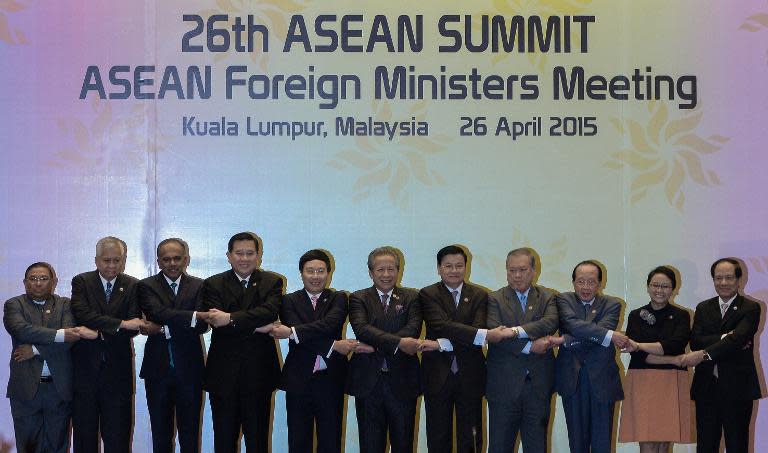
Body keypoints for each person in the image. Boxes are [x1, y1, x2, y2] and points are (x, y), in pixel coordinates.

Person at [418, 245, 515, 453]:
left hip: (470, 375)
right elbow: (440, 325)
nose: (454, 271)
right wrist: (481, 336)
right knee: (438, 436)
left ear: (466, 267)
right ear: (439, 269)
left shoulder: (480, 295)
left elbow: (477, 329)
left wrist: (440, 344)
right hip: (436, 375)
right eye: (448, 266)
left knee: (471, 437)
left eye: (459, 266)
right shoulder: (427, 294)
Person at [201, 231, 284, 453]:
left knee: (258, 442)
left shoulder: (272, 281)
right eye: (239, 253)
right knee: (224, 441)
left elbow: (268, 312)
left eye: (250, 253)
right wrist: (256, 325)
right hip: (223, 375)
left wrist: (231, 318)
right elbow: (217, 323)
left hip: (259, 373)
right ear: (229, 256)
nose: (244, 258)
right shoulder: (212, 284)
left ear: (259, 256)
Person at [3, 262, 97, 453]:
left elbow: (72, 339)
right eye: (33, 279)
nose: (38, 283)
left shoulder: (65, 304)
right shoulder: (14, 304)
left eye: (44, 279)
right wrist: (60, 335)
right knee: (28, 446)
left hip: (58, 389)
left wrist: (36, 350)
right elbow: (21, 330)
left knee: (57, 446)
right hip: (25, 391)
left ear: (53, 282)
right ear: (24, 282)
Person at [271, 249, 353, 453]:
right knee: (298, 441)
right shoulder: (288, 301)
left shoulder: (339, 298)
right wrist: (333, 346)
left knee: (331, 440)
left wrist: (291, 331)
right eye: (310, 271)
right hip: (298, 379)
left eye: (321, 271)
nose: (315, 276)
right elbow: (303, 339)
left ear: (328, 273)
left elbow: (330, 325)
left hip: (331, 379)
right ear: (301, 273)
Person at [679, 258, 762, 453]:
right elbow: (696, 341)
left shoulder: (750, 308)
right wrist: (727, 336)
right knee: (706, 445)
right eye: (718, 278)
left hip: (738, 388)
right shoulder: (703, 308)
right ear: (713, 280)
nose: (723, 283)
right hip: (706, 387)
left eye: (729, 278)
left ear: (739, 280)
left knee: (737, 444)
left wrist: (705, 354)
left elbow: (739, 339)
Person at [70, 236, 144, 453]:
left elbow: (134, 327)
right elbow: (81, 314)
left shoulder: (132, 285)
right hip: (85, 373)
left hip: (118, 374)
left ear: (123, 260)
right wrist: (120, 323)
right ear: (96, 261)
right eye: (106, 260)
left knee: (119, 438)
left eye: (117, 260)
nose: (112, 266)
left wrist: (98, 333)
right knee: (84, 438)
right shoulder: (81, 282)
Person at [347, 246, 421, 453]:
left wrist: (377, 341)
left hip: (403, 381)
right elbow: (361, 330)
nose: (386, 274)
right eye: (380, 270)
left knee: (403, 444)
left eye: (391, 269)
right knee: (370, 446)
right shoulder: (358, 298)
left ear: (399, 270)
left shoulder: (412, 297)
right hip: (368, 382)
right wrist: (399, 343)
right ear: (371, 272)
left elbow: (413, 329)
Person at [137, 238, 208, 453]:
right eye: (166, 259)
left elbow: (202, 325)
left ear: (186, 259)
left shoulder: (200, 285)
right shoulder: (145, 286)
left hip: (191, 371)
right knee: (160, 433)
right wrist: (193, 316)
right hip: (157, 371)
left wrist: (162, 328)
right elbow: (155, 312)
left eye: (177, 258)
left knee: (190, 433)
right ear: (158, 261)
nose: (172, 263)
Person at [485, 248, 558, 453]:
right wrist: (530, 346)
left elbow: (549, 323)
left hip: (538, 385)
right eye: (512, 270)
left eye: (523, 270)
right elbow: (495, 334)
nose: (517, 275)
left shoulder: (548, 297)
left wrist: (515, 331)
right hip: (503, 386)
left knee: (537, 447)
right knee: (499, 447)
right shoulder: (494, 298)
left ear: (534, 270)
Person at [550, 260, 626, 453]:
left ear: (600, 284)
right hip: (572, 379)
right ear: (573, 282)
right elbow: (574, 324)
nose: (585, 287)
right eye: (580, 281)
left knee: (602, 445)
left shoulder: (612, 304)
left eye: (591, 282)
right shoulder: (563, 300)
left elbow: (587, 330)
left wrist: (566, 340)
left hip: (602, 380)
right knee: (577, 443)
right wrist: (606, 335)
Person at [619, 266, 693, 452]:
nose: (659, 290)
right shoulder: (636, 315)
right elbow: (638, 355)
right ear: (648, 287)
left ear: (673, 289)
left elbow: (675, 346)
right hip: (643, 380)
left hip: (672, 381)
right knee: (647, 437)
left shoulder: (681, 315)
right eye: (655, 285)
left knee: (665, 439)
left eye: (665, 286)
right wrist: (672, 359)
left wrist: (640, 345)